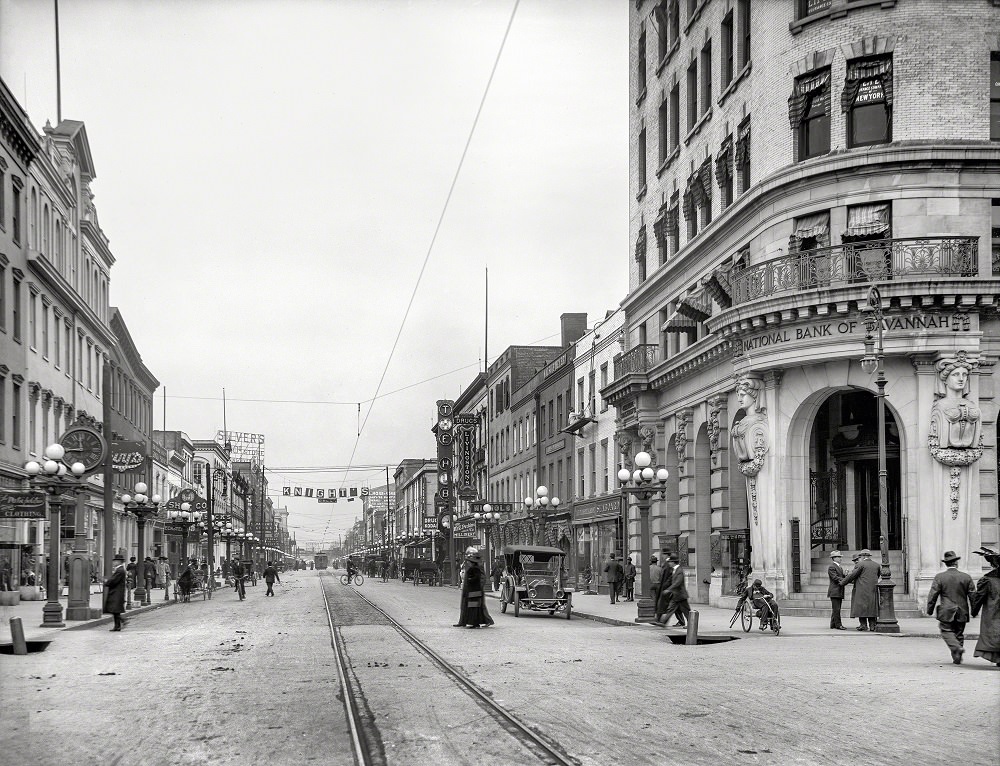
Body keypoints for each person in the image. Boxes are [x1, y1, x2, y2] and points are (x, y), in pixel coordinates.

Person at [927, 550, 976, 664]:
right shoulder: (966, 577)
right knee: (959, 633)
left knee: (946, 630)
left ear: (946, 564)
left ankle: (956, 648)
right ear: (956, 563)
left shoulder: (940, 577)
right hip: (962, 610)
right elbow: (973, 595)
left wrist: (930, 609)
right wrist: (974, 610)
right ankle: (957, 657)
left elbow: (933, 594)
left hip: (946, 610)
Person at [970, 547, 1000, 667]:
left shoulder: (987, 580)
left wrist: (974, 610)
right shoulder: (988, 579)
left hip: (994, 612)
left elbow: (979, 597)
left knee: (994, 634)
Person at [840, 548, 880, 631]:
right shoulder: (876, 565)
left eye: (861, 556)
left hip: (861, 589)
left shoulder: (860, 564)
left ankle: (863, 625)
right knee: (872, 607)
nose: (860, 557)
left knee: (861, 607)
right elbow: (878, 575)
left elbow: (853, 575)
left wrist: (843, 582)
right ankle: (872, 625)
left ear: (863, 556)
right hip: (873, 589)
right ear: (869, 556)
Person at [454, 550, 494, 628]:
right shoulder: (468, 565)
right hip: (468, 588)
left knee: (477, 607)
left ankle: (480, 621)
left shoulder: (478, 567)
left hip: (475, 589)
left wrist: (479, 587)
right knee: (466, 605)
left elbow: (481, 577)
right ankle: (463, 621)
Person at [662, 554, 690, 627]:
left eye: (670, 562)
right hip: (676, 595)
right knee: (670, 609)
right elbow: (671, 580)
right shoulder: (675, 570)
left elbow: (678, 582)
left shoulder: (679, 570)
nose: (669, 563)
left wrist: (669, 589)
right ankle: (663, 622)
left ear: (673, 562)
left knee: (686, 611)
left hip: (681, 595)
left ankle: (691, 623)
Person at [103, 554, 128, 631]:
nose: (113, 562)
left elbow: (114, 581)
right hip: (117, 592)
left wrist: (107, 582)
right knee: (115, 610)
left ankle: (121, 622)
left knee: (114, 609)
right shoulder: (120, 569)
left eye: (115, 561)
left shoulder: (120, 570)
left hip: (116, 593)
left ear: (119, 562)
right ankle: (118, 625)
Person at [828, 551, 847, 630]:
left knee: (836, 608)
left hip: (838, 591)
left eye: (840, 557)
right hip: (835, 591)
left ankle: (833, 624)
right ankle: (838, 625)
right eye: (839, 557)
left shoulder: (838, 567)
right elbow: (835, 578)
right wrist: (845, 579)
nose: (840, 558)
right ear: (834, 558)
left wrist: (844, 575)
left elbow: (838, 577)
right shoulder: (832, 567)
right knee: (837, 609)